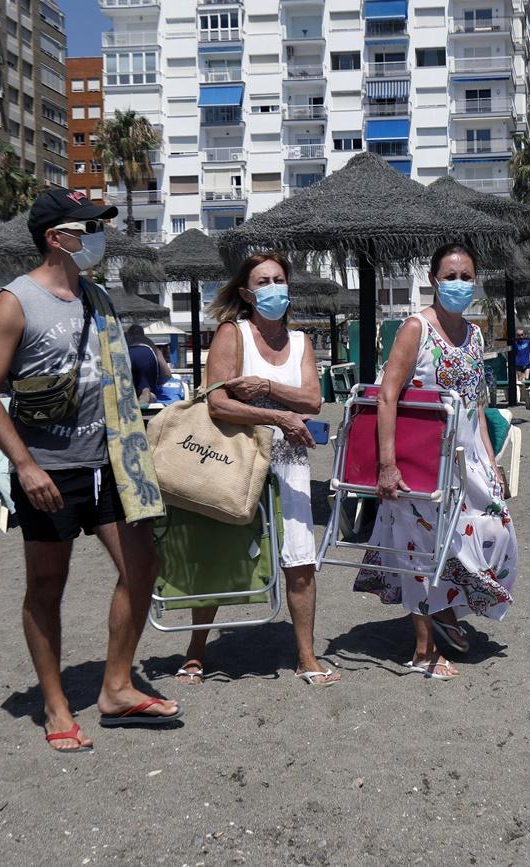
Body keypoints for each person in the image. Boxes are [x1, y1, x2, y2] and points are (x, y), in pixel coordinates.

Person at [0, 188, 176, 753]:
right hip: (49, 468)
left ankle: (114, 686)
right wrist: (24, 465)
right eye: (88, 228)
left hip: (110, 462)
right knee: (45, 585)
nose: (97, 237)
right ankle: (56, 704)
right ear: (56, 237)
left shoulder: (98, 297)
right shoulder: (18, 301)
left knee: (143, 565)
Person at [353, 243, 518, 680]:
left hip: (467, 458)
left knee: (494, 533)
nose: (460, 284)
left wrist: (491, 461)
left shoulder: (476, 335)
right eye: (451, 276)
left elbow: (477, 402)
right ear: (433, 280)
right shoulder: (415, 328)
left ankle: (445, 611)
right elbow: (387, 394)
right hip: (421, 456)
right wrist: (388, 466)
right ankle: (424, 649)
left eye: (467, 276)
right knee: (421, 548)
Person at [178, 251, 339, 687]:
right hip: (238, 458)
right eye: (264, 282)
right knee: (220, 551)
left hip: (290, 463)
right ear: (247, 293)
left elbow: (312, 401)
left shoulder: (302, 342)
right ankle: (195, 652)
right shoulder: (234, 334)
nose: (274, 288)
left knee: (300, 558)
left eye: (279, 279)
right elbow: (217, 401)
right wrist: (278, 416)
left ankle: (306, 656)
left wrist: (267, 388)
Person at [125, 324, 171, 404]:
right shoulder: (149, 342)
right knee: (145, 387)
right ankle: (146, 393)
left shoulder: (124, 341)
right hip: (146, 352)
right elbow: (166, 373)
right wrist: (157, 384)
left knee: (129, 388)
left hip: (127, 352)